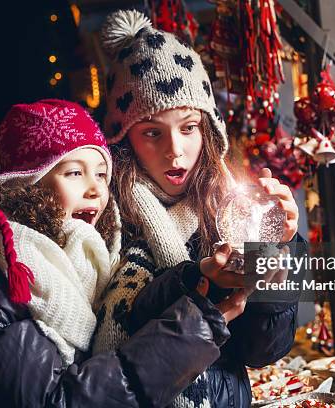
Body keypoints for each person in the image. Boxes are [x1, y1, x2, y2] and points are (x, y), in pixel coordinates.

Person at [0, 99, 233, 407]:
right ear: (25, 184)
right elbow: (54, 399)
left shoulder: (80, 254)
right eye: (74, 173)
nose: (96, 189)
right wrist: (191, 332)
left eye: (101, 174)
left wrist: (196, 284)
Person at [93, 10, 302, 407]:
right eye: (153, 132)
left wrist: (277, 249)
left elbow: (261, 350)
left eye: (188, 128)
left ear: (208, 129)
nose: (176, 150)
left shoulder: (232, 209)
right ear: (123, 137)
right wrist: (193, 280)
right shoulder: (104, 214)